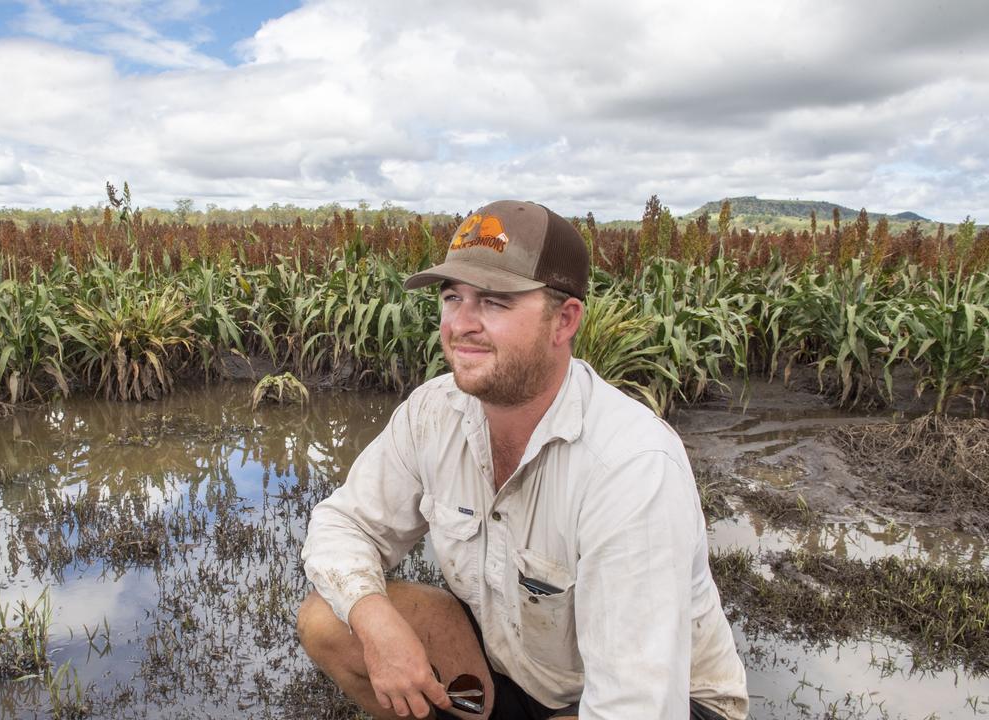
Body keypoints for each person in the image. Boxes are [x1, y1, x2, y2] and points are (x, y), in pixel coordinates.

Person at [297, 200, 748, 719]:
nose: (461, 324)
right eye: (452, 297)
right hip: (515, 667)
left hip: (667, 704)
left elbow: (637, 704)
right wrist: (373, 618)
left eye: (493, 302)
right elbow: (343, 524)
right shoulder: (433, 413)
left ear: (564, 320)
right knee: (327, 622)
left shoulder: (631, 465)